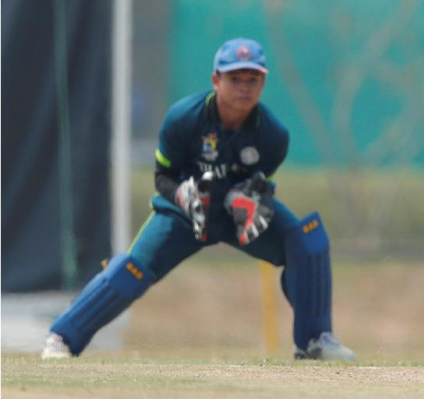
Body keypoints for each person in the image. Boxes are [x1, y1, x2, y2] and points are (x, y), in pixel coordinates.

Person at [41, 37, 356, 362]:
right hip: (184, 213)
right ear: (216, 80)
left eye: (252, 80)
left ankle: (314, 341)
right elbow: (163, 176)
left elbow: (262, 180)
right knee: (131, 270)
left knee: (307, 242)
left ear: (263, 83)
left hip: (235, 216)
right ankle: (62, 337)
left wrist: (253, 198)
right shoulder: (184, 118)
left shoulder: (273, 135)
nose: (244, 88)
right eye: (235, 79)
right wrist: (181, 195)